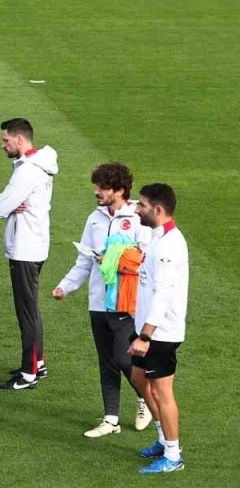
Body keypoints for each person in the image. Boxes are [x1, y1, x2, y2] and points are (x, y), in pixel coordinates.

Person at [52, 163, 153, 437]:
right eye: (97, 186)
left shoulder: (138, 218)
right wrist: (65, 286)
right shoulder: (94, 218)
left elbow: (145, 260)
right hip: (98, 302)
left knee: (123, 359)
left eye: (103, 187)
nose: (97, 192)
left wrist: (113, 259)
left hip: (125, 302)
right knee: (107, 362)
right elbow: (84, 260)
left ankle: (144, 396)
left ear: (119, 191)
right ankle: (111, 419)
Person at [0, 118, 58, 391]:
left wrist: (6, 203)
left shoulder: (27, 171)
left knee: (27, 312)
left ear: (19, 139)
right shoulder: (39, 164)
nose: (3, 145)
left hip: (24, 248)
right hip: (35, 243)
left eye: (6, 140)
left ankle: (29, 372)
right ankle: (37, 362)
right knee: (30, 308)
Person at [129, 183, 188, 474]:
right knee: (139, 378)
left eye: (142, 205)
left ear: (158, 210)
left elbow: (163, 293)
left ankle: (173, 455)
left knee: (163, 391)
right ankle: (164, 439)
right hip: (146, 326)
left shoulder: (168, 246)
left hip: (159, 333)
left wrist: (145, 335)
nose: (137, 209)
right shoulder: (157, 236)